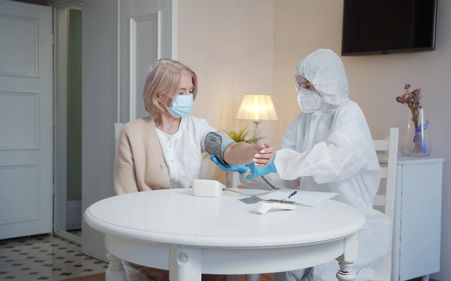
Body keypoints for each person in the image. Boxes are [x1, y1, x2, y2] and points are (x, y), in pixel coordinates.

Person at [213, 49, 390, 281]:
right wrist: (253, 169)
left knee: (321, 274)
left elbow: (334, 161)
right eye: (300, 85)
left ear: (328, 84)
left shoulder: (350, 113)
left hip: (348, 220)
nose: (302, 92)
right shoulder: (304, 118)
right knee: (286, 267)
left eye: (308, 86)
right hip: (308, 218)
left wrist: (280, 161)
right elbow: (289, 179)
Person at [114, 58, 274, 281]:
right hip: (151, 231)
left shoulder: (197, 128)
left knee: (223, 263)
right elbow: (125, 198)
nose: (188, 97)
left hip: (193, 226)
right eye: (181, 91)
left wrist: (252, 151)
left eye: (190, 91)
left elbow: (228, 149)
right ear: (159, 95)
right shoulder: (133, 133)